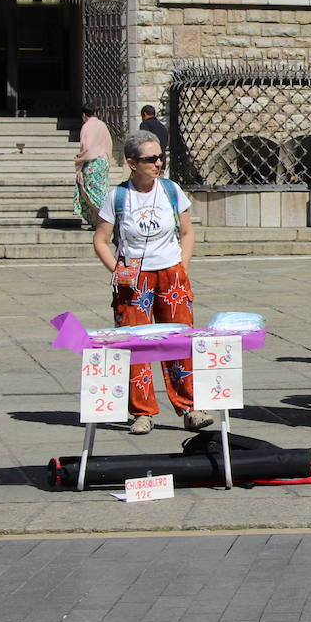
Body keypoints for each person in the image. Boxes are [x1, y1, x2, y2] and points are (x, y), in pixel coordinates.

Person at [91, 130, 213, 436]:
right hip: (134, 278)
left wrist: (181, 268)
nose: (158, 163)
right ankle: (142, 412)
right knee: (136, 345)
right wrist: (118, 271)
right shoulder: (118, 197)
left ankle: (189, 407)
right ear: (132, 163)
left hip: (170, 274)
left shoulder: (171, 190)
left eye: (161, 157)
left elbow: (187, 232)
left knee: (179, 341)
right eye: (150, 159)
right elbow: (101, 240)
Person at [74, 105, 112, 228]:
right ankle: (98, 223)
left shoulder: (87, 126)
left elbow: (87, 147)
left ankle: (106, 220)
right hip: (103, 162)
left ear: (84, 115)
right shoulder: (102, 125)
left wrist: (80, 158)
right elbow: (109, 143)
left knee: (90, 194)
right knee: (100, 191)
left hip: (92, 163)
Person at [139, 105, 169, 169]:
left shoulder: (145, 124)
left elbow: (143, 142)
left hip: (150, 163)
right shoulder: (162, 127)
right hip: (161, 161)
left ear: (145, 114)